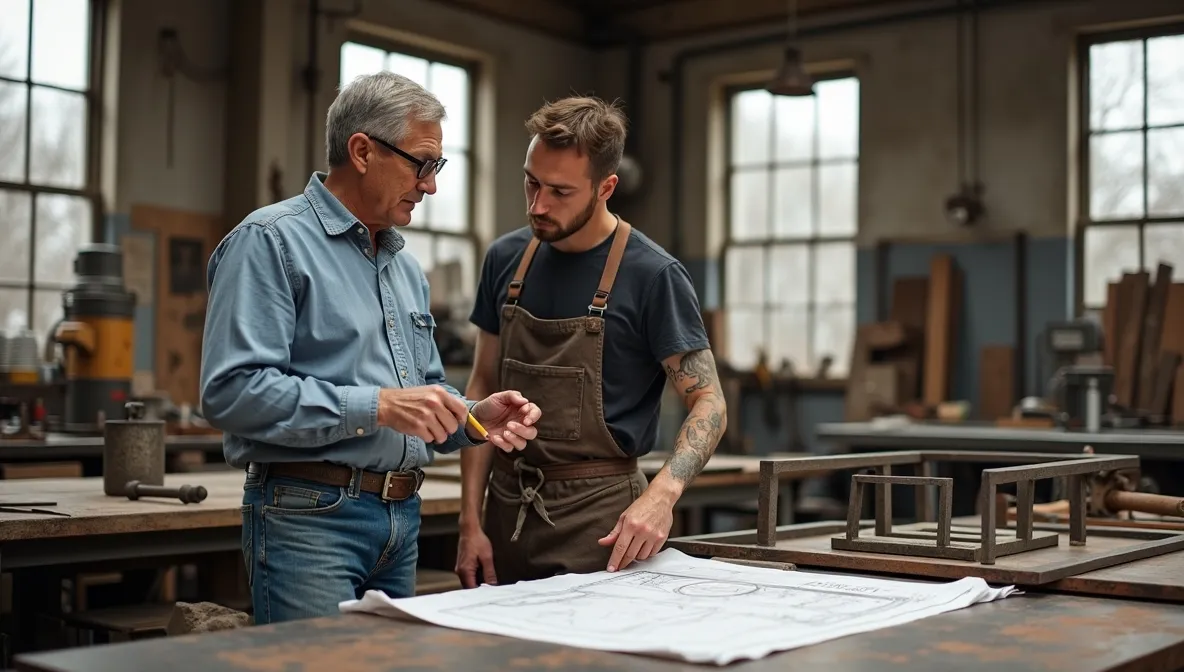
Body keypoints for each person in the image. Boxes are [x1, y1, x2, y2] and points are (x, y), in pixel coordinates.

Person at [199, 72, 540, 624]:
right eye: (421, 163)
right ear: (362, 151)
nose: (429, 185)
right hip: (310, 518)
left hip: (401, 517)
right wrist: (378, 405)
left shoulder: (403, 267)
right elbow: (232, 392)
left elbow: (420, 396)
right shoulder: (271, 241)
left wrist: (474, 419)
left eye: (437, 168)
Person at [455, 96, 727, 588]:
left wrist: (662, 495)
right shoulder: (505, 259)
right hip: (504, 515)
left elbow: (709, 401)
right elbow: (482, 383)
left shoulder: (652, 275)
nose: (538, 204)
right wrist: (469, 522)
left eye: (560, 191)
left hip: (600, 525)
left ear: (606, 187)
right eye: (532, 182)